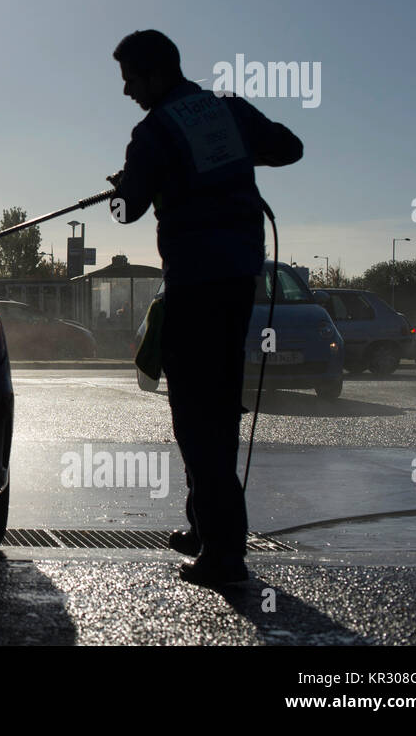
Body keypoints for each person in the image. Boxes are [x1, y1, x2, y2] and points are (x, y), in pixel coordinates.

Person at [106, 30, 302, 587]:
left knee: (198, 415)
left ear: (155, 75)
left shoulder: (152, 133)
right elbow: (289, 147)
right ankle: (203, 526)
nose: (126, 92)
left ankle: (224, 555)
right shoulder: (228, 110)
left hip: (194, 282)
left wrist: (122, 185)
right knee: (216, 403)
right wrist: (238, 150)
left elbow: (128, 210)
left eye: (130, 80)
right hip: (240, 278)